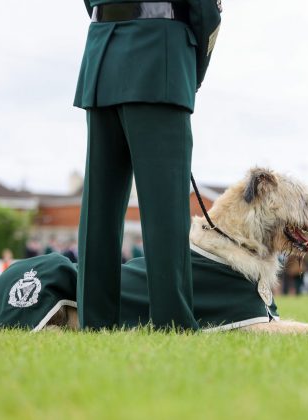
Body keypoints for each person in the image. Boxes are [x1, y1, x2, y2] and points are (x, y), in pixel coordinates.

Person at [74, 1, 222, 330]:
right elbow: (205, 12)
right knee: (166, 213)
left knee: (99, 209)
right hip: (161, 55)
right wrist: (192, 70)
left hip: (103, 56)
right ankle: (174, 323)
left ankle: (95, 323)